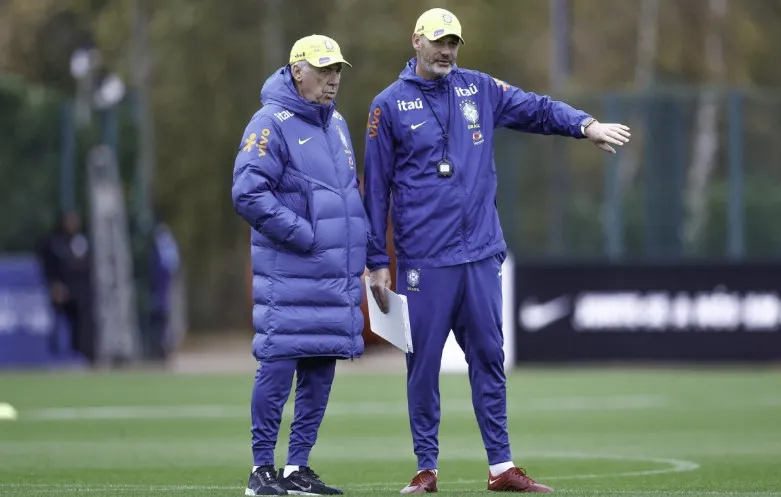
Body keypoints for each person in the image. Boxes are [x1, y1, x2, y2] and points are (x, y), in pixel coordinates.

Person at [363, 8, 631, 494]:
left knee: (489, 357)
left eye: (454, 43)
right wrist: (377, 262)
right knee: (422, 365)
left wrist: (584, 124)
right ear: (417, 41)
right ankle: (426, 469)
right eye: (439, 41)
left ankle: (501, 467)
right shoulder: (388, 104)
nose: (447, 51)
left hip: (481, 254)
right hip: (425, 260)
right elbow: (376, 189)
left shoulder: (480, 88)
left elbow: (537, 109)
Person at [231, 34, 366, 496]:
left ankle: (297, 469)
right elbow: (248, 192)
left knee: (320, 369)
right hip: (289, 274)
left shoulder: (338, 123)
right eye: (323, 70)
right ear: (297, 72)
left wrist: (357, 249)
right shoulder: (269, 121)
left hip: (330, 276)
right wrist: (304, 235)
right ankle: (261, 470)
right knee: (277, 367)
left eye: (337, 70)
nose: (333, 79)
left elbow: (345, 196)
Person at [39, 210, 95, 362]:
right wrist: (55, 285)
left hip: (81, 291)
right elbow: (48, 267)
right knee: (58, 323)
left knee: (84, 322)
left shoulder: (82, 241)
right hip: (62, 289)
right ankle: (56, 356)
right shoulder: (53, 243)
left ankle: (83, 356)